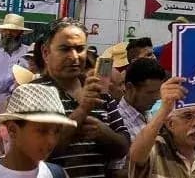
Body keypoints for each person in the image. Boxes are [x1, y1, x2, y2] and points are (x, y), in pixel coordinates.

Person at [32, 22, 130, 177]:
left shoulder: (98, 90)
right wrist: (82, 111)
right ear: (46, 53)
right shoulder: (32, 93)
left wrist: (104, 133)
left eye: (79, 49)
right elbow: (37, 152)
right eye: (65, 49)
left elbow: (123, 148)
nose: (74, 56)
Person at [0, 84, 76, 178]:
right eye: (42, 131)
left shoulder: (57, 174)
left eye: (57, 131)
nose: (51, 141)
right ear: (13, 130)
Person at [128, 76, 195, 178]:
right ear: (170, 124)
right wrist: (165, 109)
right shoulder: (156, 147)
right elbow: (136, 156)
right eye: (188, 116)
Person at [119, 57, 167, 141]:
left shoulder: (148, 113)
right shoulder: (119, 124)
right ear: (130, 88)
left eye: (159, 91)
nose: (157, 97)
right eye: (150, 93)